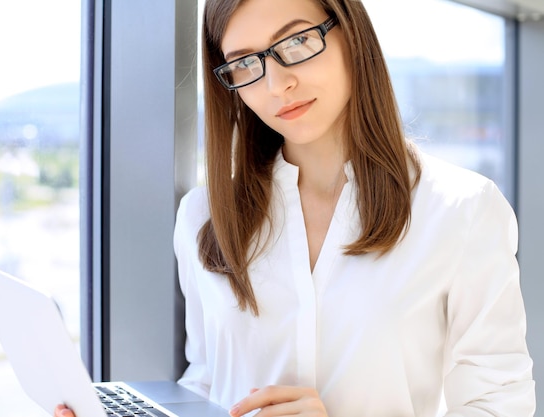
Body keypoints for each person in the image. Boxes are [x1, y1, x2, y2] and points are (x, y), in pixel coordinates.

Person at [56, 0, 535, 416]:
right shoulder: (203, 216)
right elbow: (205, 383)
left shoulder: (462, 210)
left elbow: (500, 405)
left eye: (298, 42)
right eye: (244, 64)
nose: (276, 84)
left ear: (350, 32)